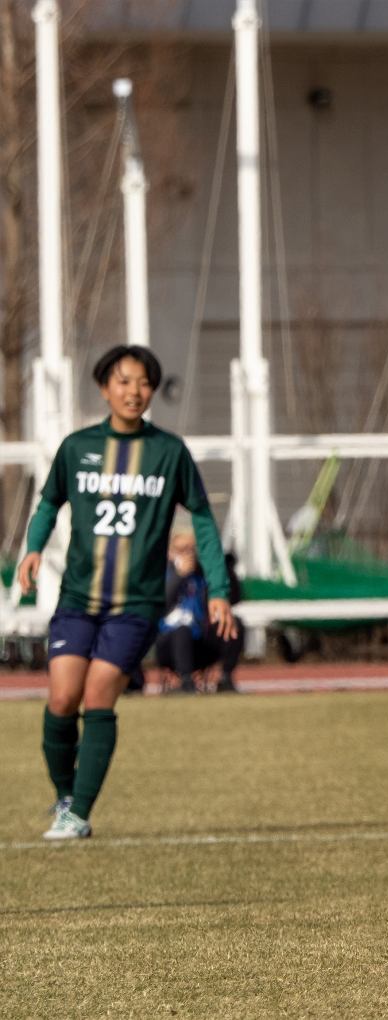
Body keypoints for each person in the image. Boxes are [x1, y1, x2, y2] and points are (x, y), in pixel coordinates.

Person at [17, 345, 236, 840]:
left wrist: (218, 589)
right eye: (123, 381)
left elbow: (202, 518)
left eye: (143, 383)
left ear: (152, 390)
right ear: (104, 388)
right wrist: (33, 549)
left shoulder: (169, 452)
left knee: (98, 695)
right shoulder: (77, 447)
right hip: (77, 599)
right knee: (61, 699)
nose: (134, 391)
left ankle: (78, 815)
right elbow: (48, 503)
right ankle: (65, 797)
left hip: (135, 605)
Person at [157, 527, 243, 694]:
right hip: (169, 641)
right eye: (182, 550)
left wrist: (225, 569)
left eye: (192, 549)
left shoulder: (203, 575)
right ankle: (185, 682)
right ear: (171, 552)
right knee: (182, 630)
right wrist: (179, 575)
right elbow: (163, 603)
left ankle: (225, 679)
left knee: (233, 624)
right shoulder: (162, 573)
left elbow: (234, 599)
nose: (188, 554)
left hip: (200, 639)